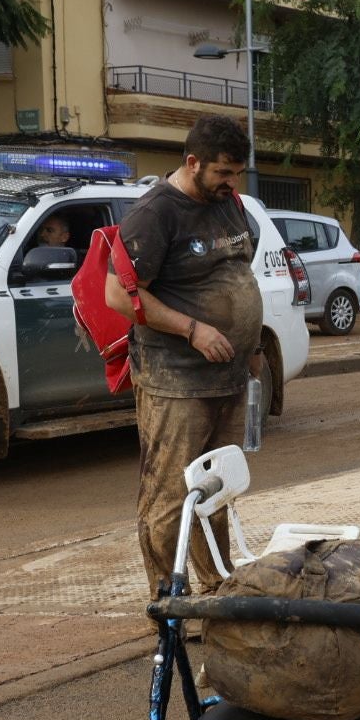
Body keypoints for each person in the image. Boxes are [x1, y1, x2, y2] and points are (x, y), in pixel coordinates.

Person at [106, 113, 263, 596]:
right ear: (193, 162)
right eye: (223, 173)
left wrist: (250, 348)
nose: (232, 182)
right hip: (176, 380)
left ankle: (217, 589)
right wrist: (192, 329)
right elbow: (118, 295)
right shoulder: (156, 214)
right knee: (170, 495)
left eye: (237, 173)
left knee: (216, 491)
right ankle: (168, 601)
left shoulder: (229, 204)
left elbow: (234, 272)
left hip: (230, 376)